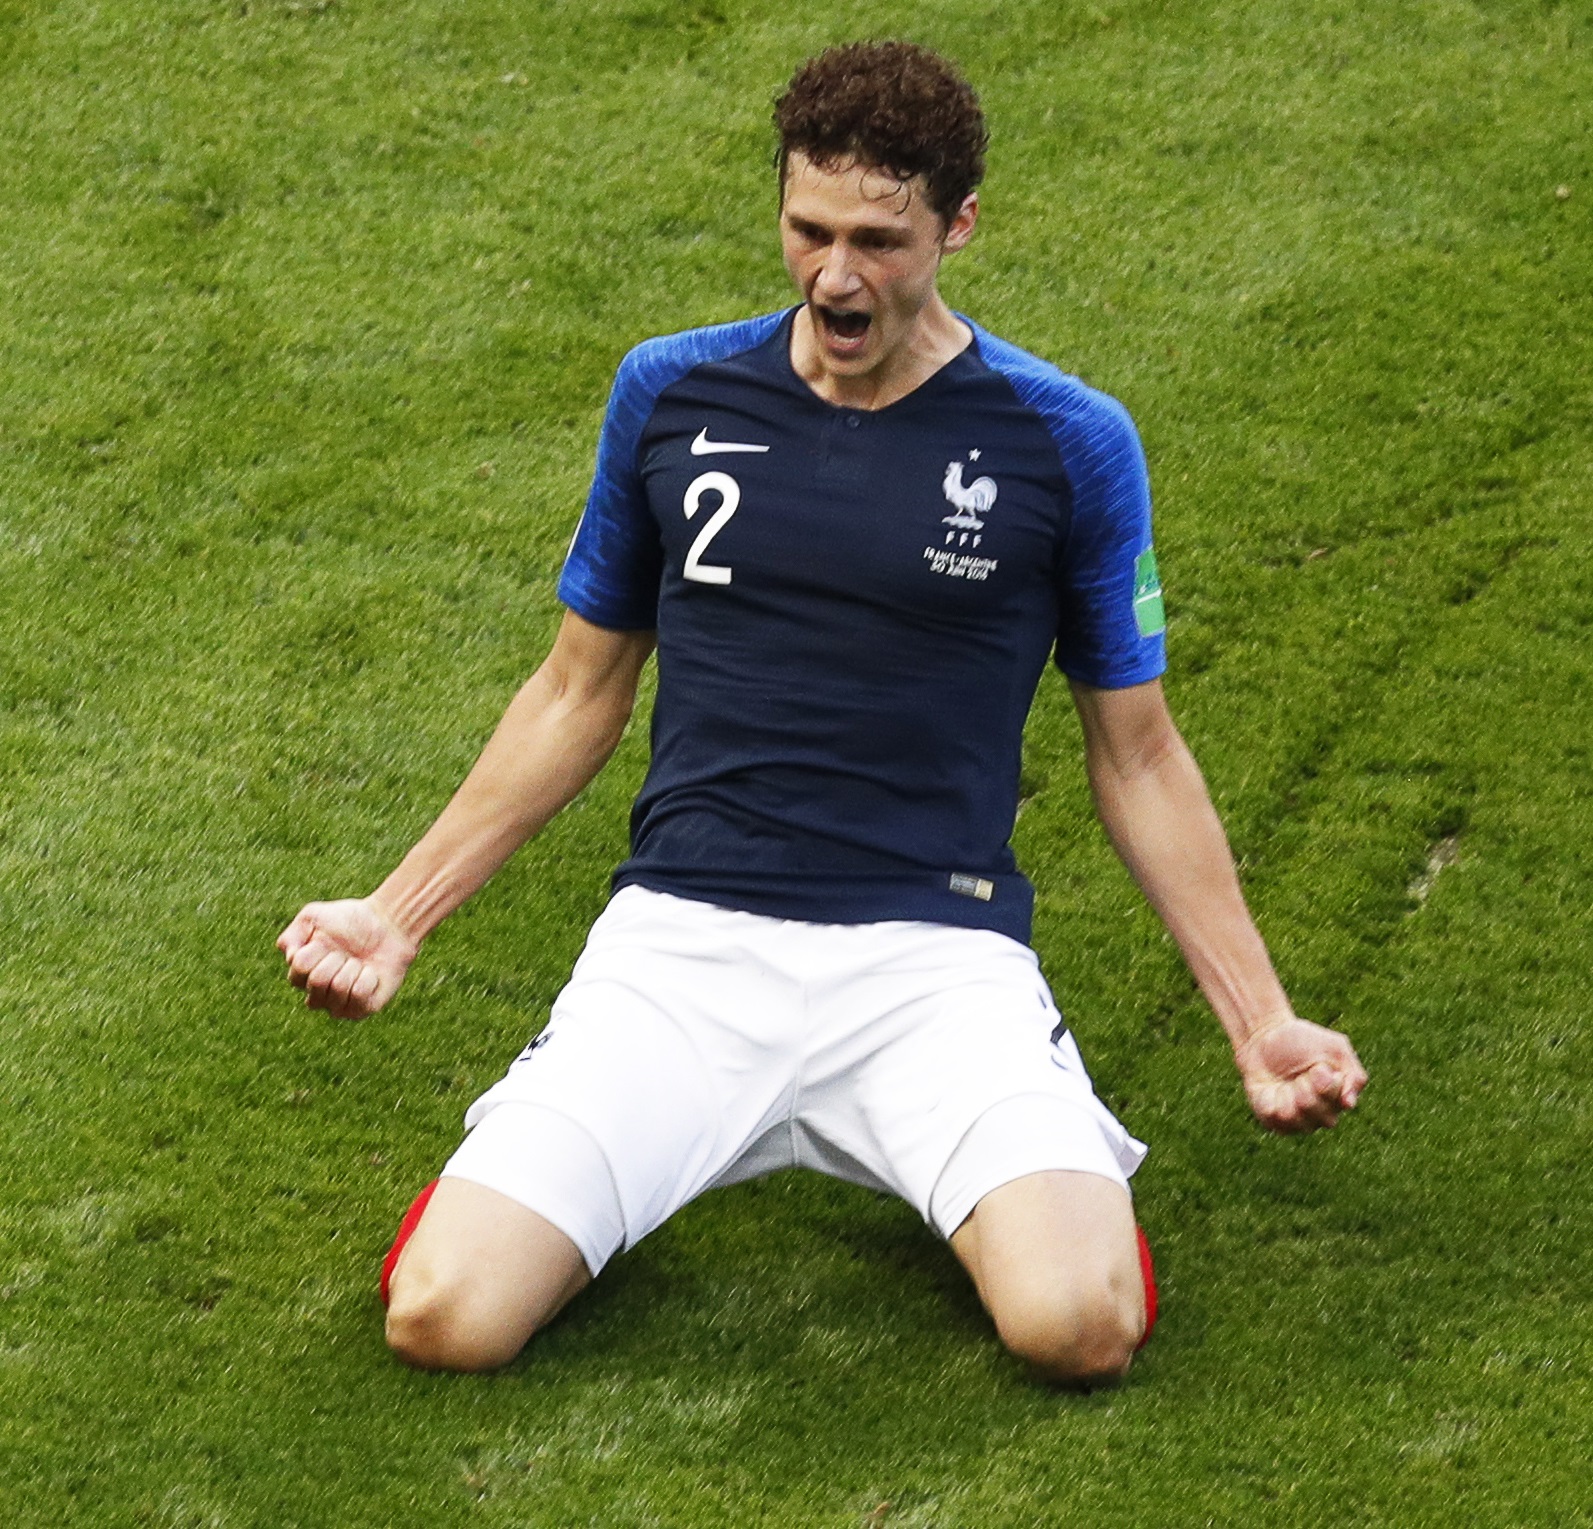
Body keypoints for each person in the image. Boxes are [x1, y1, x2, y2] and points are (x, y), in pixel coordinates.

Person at [278, 41, 1366, 1387]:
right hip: (683, 947)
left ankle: (1043, 1184)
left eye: (878, 241)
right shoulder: (672, 392)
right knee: (446, 1318)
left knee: (1076, 1327)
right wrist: (397, 914)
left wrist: (1258, 1020)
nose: (836, 276)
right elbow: (576, 687)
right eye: (809, 231)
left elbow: (1137, 754)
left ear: (958, 226)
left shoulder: (1066, 440)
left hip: (935, 959)